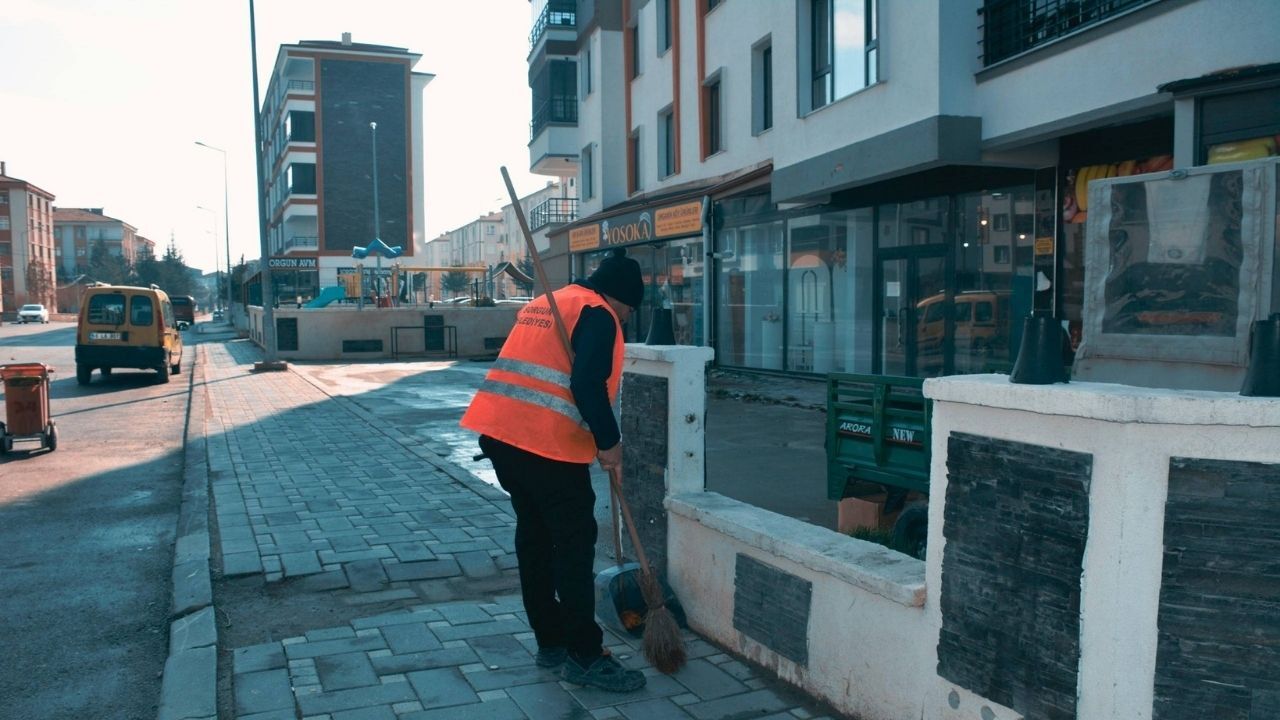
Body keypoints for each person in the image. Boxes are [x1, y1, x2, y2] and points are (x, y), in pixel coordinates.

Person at [460, 248, 646, 693]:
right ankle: (584, 655)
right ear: (621, 299)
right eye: (628, 311)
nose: (624, 320)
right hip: (544, 445)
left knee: (536, 538)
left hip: (501, 435)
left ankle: (551, 641)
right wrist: (610, 443)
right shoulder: (598, 313)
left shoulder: (549, 301)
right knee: (574, 547)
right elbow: (587, 384)